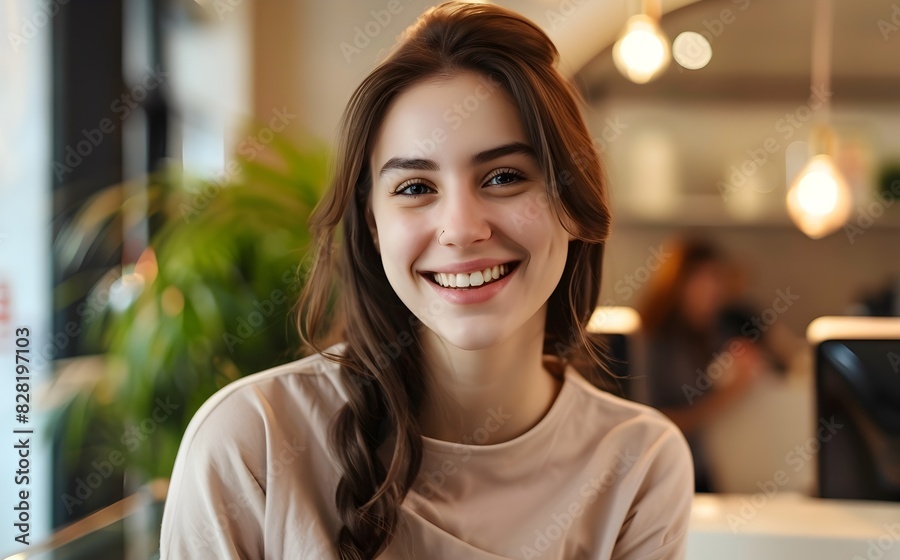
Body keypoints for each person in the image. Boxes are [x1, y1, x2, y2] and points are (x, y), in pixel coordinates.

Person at [159, 3, 693, 559]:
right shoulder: (253, 441)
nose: (461, 230)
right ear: (373, 223)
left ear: (574, 203)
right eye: (415, 187)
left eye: (505, 177)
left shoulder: (640, 463)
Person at [636, 238, 769, 492]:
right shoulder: (650, 341)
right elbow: (655, 421)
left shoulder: (708, 335)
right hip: (660, 474)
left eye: (717, 280)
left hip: (697, 467)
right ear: (679, 283)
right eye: (704, 279)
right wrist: (731, 393)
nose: (713, 290)